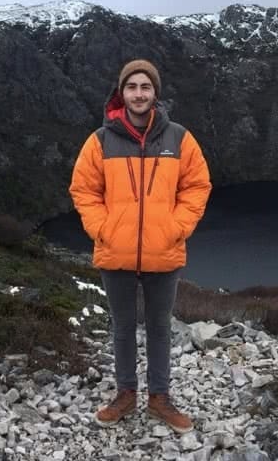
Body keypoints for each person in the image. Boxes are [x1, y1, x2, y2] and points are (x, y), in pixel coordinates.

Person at [69, 58, 212, 433]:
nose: (138, 94)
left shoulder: (178, 138)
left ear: (155, 93)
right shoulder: (101, 140)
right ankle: (126, 394)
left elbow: (197, 185)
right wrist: (102, 228)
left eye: (145, 87)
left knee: (160, 327)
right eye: (131, 87)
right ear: (122, 93)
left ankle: (159, 398)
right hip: (115, 251)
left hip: (164, 251)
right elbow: (84, 190)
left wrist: (177, 227)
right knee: (122, 327)